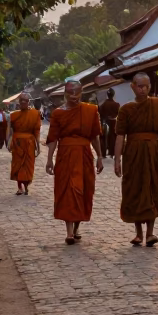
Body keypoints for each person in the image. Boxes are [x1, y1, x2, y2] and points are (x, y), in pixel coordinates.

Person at [114, 73, 158, 246]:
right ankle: (138, 233)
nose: (143, 89)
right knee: (135, 189)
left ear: (150, 87)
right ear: (132, 86)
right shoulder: (126, 109)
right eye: (139, 86)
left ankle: (150, 233)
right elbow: (120, 136)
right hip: (133, 154)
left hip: (153, 153)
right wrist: (117, 160)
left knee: (152, 188)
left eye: (146, 86)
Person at [45, 79, 103, 244]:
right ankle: (69, 231)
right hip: (65, 155)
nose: (74, 96)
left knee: (83, 189)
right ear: (65, 93)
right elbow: (53, 138)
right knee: (68, 190)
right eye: (70, 92)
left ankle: (77, 228)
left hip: (84, 154)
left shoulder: (90, 111)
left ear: (82, 93)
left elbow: (94, 136)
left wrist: (99, 156)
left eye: (77, 92)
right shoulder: (58, 113)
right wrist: (49, 160)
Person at [7, 92, 42, 195]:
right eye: (21, 100)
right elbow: (9, 131)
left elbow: (37, 131)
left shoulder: (35, 114)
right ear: (18, 102)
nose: (23, 103)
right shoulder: (13, 115)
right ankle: (20, 187)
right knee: (18, 165)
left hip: (29, 144)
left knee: (27, 166)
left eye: (25, 101)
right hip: (17, 143)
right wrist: (8, 142)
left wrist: (38, 146)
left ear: (28, 102)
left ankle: (26, 186)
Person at [99, 88, 120, 159]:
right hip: (114, 123)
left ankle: (103, 154)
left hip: (105, 122)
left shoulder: (103, 104)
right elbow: (119, 114)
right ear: (113, 95)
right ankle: (112, 153)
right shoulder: (117, 105)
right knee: (113, 137)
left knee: (103, 137)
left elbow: (100, 114)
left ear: (107, 95)